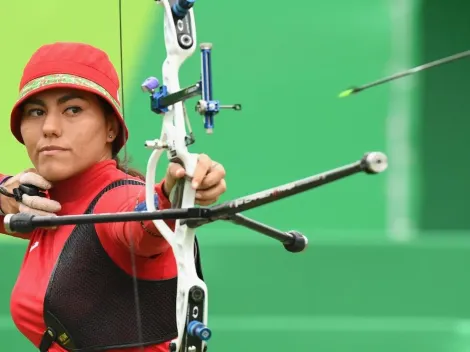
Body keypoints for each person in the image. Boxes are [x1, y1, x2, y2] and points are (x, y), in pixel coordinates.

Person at [0, 42, 228, 352]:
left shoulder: (115, 198)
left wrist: (172, 195)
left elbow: (140, 223)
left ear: (110, 128)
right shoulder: (36, 197)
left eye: (73, 110)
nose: (49, 128)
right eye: (36, 112)